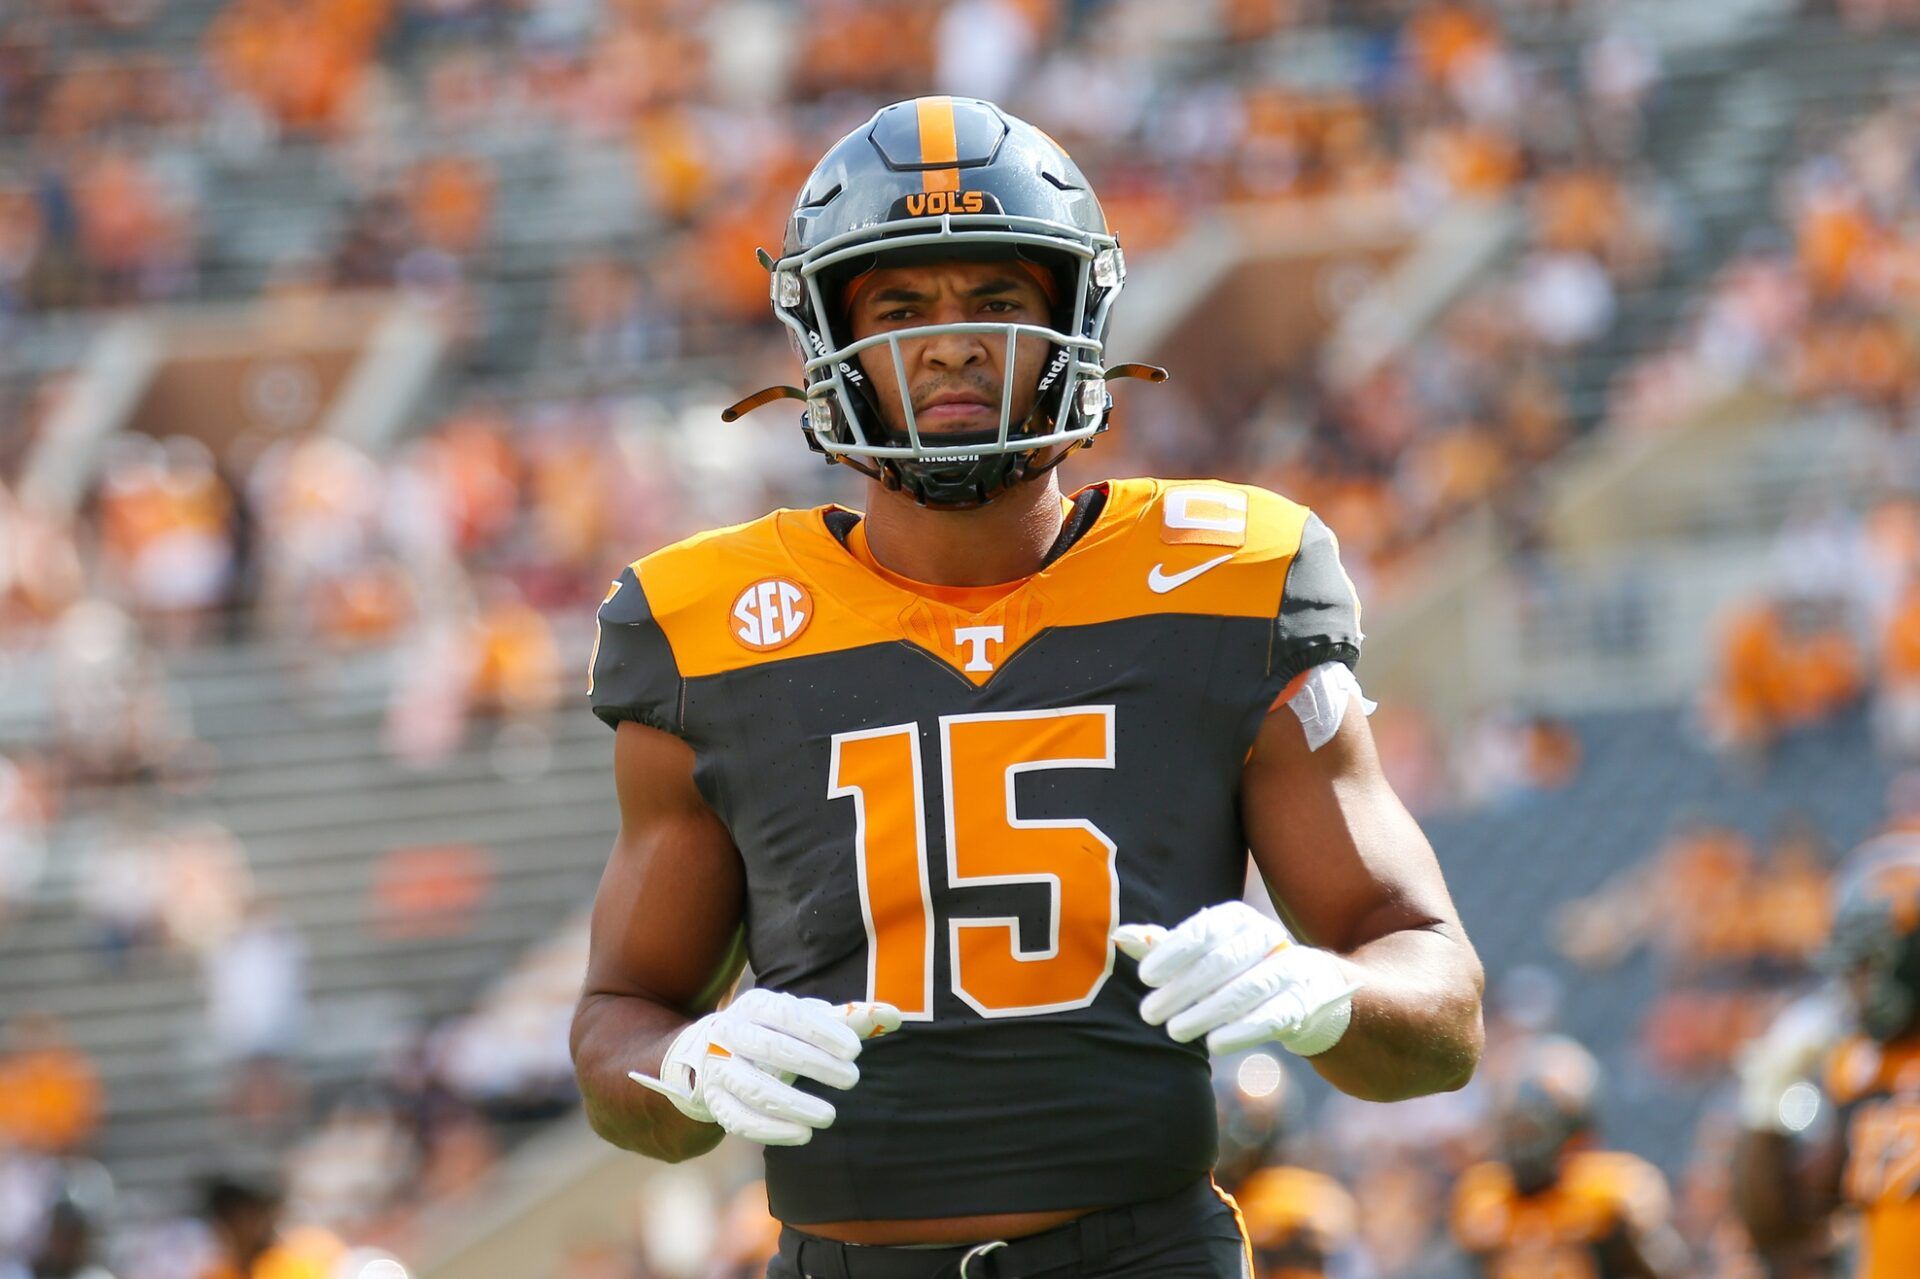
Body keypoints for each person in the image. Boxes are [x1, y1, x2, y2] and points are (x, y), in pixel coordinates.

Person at [572, 95, 1484, 1277]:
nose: (950, 343)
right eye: (900, 308)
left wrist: (1325, 995)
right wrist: (685, 1066)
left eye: (996, 301)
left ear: (1075, 318)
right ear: (826, 344)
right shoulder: (703, 627)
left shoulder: (1232, 578)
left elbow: (1439, 1005)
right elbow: (618, 1022)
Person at [1731, 842, 1920, 1278]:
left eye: (1867, 966)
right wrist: (1768, 1095)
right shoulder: (1864, 1070)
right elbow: (1784, 1225)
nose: (1853, 987)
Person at [1451, 1036, 1687, 1279]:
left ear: (1577, 1135)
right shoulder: (1486, 1194)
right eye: (1518, 1130)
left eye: (1534, 1132)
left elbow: (1663, 1266)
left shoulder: (1611, 1190)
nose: (1524, 1145)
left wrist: (1619, 1238)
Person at [1212, 1052, 1363, 1279]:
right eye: (1222, 1118)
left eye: (1251, 1123)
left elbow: (1332, 1230)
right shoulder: (1204, 1193)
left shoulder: (1294, 1195)